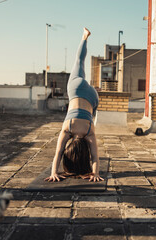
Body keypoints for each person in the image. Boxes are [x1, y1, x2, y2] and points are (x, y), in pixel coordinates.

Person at [44, 28, 104, 182]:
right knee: (79, 61)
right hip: (76, 89)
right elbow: (58, 152)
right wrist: (53, 172)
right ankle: (85, 36)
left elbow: (95, 157)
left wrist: (96, 173)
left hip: (93, 98)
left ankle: (94, 92)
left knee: (93, 113)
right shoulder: (67, 129)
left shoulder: (90, 133)